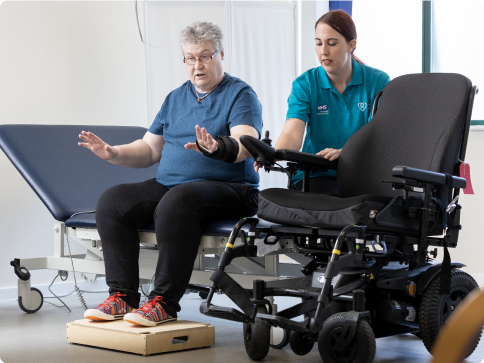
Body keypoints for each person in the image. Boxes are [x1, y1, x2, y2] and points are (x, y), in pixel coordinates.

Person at [78, 21, 262, 327]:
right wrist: (113, 153)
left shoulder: (240, 94)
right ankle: (122, 297)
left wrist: (217, 148)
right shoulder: (175, 98)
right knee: (113, 201)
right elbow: (150, 150)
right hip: (173, 186)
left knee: (178, 200)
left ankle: (163, 301)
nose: (197, 65)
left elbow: (245, 143)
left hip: (231, 189)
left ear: (221, 55)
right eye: (190, 58)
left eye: (205, 56)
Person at [259, 10, 390, 194]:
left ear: (351, 45)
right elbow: (292, 133)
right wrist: (273, 153)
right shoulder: (305, 84)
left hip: (360, 175)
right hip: (314, 176)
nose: (323, 52)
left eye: (332, 43)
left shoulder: (378, 81)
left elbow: (382, 137)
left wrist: (346, 152)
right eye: (318, 43)